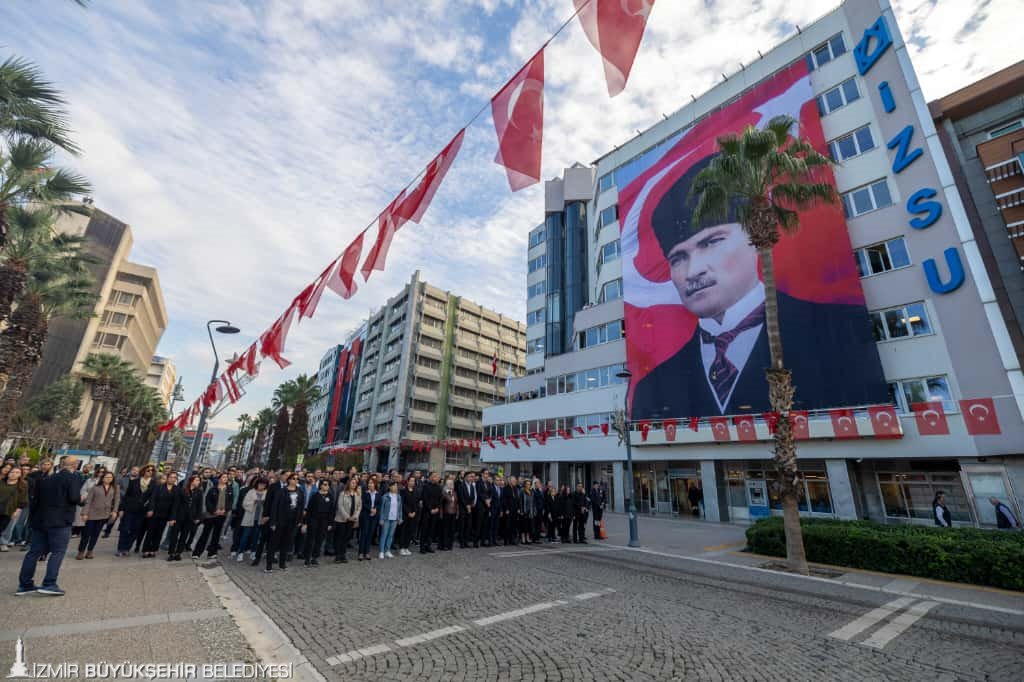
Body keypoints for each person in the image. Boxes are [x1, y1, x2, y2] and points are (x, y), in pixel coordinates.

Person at [630, 154, 888, 420]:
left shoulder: (842, 330)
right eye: (678, 258)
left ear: (755, 236)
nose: (693, 271)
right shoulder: (653, 385)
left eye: (711, 242)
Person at [16, 456, 83, 596]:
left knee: (34, 552)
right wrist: (81, 499)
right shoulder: (73, 477)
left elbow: (35, 501)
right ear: (75, 465)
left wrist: (33, 519)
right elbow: (74, 498)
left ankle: (25, 584)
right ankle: (49, 583)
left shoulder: (45, 479)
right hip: (60, 521)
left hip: (40, 520)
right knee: (58, 552)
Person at [266, 473, 305, 572]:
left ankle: (282, 564)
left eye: (297, 479)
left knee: (286, 543)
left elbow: (301, 506)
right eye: (293, 478)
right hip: (280, 520)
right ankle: (269, 565)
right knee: (274, 543)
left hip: (293, 521)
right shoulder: (282, 491)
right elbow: (275, 506)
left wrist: (300, 520)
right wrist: (273, 522)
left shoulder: (300, 491)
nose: (295, 480)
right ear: (288, 480)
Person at [76, 471, 118, 560]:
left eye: (110, 477)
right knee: (86, 534)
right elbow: (88, 501)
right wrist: (85, 513)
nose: (109, 479)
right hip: (92, 514)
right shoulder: (95, 488)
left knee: (96, 534)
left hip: (104, 514)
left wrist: (114, 511)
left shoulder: (115, 488)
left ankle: (90, 550)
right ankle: (81, 551)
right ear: (102, 478)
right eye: (107, 477)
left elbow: (117, 501)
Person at [192, 473, 235, 560]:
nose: (225, 478)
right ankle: (196, 553)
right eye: (223, 477)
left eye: (226, 477)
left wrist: (225, 510)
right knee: (205, 534)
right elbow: (208, 502)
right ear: (219, 479)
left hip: (222, 515)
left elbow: (230, 502)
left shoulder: (230, 489)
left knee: (216, 535)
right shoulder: (213, 489)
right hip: (211, 515)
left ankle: (212, 553)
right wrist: (214, 511)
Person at [116, 464, 154, 557]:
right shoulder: (134, 481)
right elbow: (126, 496)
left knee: (135, 530)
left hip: (142, 511)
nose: (150, 472)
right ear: (144, 471)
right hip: (130, 508)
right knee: (125, 528)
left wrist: (150, 509)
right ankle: (120, 548)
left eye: (152, 470)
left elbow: (153, 498)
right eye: (148, 470)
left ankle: (127, 548)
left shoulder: (154, 484)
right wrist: (121, 509)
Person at [142, 472, 178, 558]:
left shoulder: (177, 490)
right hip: (154, 513)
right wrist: (150, 509)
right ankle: (146, 550)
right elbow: (153, 499)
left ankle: (153, 549)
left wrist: (172, 518)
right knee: (150, 532)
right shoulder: (159, 487)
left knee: (159, 533)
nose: (172, 479)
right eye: (171, 477)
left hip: (165, 515)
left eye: (174, 478)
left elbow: (175, 505)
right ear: (167, 478)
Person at [166, 474, 201, 562]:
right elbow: (176, 505)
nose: (198, 482)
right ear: (192, 481)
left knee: (184, 536)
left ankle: (178, 553)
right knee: (174, 535)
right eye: (196, 480)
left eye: (198, 481)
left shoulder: (199, 492)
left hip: (190, 518)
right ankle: (171, 553)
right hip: (179, 516)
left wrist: (197, 517)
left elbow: (199, 506)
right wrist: (172, 518)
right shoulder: (182, 490)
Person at [236, 478, 268, 562]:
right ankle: (240, 553)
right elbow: (244, 504)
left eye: (264, 485)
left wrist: (264, 503)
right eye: (260, 484)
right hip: (250, 517)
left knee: (256, 536)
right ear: (257, 484)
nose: (262, 486)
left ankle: (253, 552)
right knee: (245, 536)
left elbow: (268, 505)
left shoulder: (267, 493)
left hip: (259, 518)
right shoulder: (251, 492)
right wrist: (254, 502)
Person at [303, 480, 333, 566]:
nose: (326, 486)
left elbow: (331, 510)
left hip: (324, 521)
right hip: (314, 520)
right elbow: (309, 509)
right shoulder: (315, 496)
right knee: (311, 539)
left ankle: (314, 557)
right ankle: (307, 558)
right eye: (325, 484)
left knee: (319, 540)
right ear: (320, 486)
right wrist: (306, 522)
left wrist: (330, 523)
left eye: (328, 485)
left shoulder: (330, 496)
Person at [332, 477, 361, 563]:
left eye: (355, 483)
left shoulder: (357, 494)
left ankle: (343, 555)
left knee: (346, 537)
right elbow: (340, 506)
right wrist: (347, 516)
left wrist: (355, 516)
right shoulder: (343, 493)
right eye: (352, 483)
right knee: (340, 537)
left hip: (352, 520)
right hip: (342, 519)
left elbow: (359, 506)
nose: (354, 484)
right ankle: (338, 556)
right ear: (349, 484)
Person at [0, 466, 28, 552]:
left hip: (11, 510)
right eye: (12, 472)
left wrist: (18, 510)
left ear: (20, 475)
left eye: (17, 472)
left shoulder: (23, 485)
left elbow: (23, 499)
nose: (14, 474)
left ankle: (3, 543)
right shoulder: (1, 482)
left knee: (8, 527)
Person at [378, 481, 402, 559]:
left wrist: (400, 518)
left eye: (396, 486)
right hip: (386, 518)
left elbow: (400, 509)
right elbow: (381, 509)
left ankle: (387, 550)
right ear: (390, 487)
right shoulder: (385, 496)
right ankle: (381, 551)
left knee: (391, 535)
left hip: (394, 519)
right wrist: (381, 519)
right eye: (394, 486)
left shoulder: (398, 496)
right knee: (384, 535)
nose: (396, 487)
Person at [419, 472, 441, 554]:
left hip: (435, 511)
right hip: (427, 512)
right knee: (424, 529)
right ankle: (422, 547)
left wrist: (437, 508)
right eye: (434, 476)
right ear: (430, 477)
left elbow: (440, 499)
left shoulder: (439, 487)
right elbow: (425, 499)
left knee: (431, 530)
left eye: (437, 476)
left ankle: (428, 545)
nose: (436, 478)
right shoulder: (426, 486)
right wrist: (430, 509)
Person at [397, 476, 420, 556]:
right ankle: (401, 548)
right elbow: (402, 503)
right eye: (411, 481)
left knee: (410, 531)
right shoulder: (403, 491)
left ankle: (406, 547)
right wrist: (408, 512)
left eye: (414, 481)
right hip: (405, 514)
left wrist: (414, 512)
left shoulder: (416, 491)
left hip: (413, 514)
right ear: (408, 482)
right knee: (403, 531)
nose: (412, 482)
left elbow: (417, 503)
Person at [357, 479, 379, 560]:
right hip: (365, 515)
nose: (370, 484)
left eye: (372, 483)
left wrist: (375, 509)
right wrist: (370, 509)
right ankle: (361, 553)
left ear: (375, 484)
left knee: (370, 534)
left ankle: (367, 552)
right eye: (369, 483)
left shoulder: (378, 493)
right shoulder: (365, 493)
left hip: (374, 516)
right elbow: (363, 503)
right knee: (364, 534)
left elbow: (379, 503)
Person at [457, 472, 478, 549]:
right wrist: (467, 505)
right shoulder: (461, 485)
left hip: (470, 509)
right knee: (462, 526)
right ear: (465, 477)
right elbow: (461, 497)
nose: (471, 478)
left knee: (468, 526)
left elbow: (472, 496)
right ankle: (462, 542)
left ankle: (466, 541)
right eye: (469, 477)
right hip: (463, 508)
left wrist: (471, 504)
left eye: (472, 477)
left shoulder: (472, 486)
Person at [440, 476, 458, 551]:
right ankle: (443, 545)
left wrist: (457, 513)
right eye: (450, 484)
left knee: (452, 529)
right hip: (446, 513)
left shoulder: (454, 492)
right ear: (446, 485)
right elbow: (440, 504)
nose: (451, 485)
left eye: (452, 484)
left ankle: (450, 545)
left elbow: (457, 503)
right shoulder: (443, 493)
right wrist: (441, 514)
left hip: (453, 513)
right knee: (445, 530)